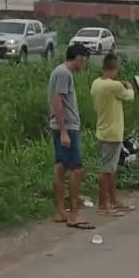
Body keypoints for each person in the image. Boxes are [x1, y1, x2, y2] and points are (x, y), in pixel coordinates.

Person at [48, 43, 92, 230]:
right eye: (85, 60)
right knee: (76, 168)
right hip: (67, 127)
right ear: (79, 58)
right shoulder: (64, 73)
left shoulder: (59, 72)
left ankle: (60, 211)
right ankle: (73, 214)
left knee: (60, 167)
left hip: (60, 126)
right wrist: (64, 131)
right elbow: (58, 101)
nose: (85, 64)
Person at [90, 53, 135, 216]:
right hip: (111, 133)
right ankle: (103, 205)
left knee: (111, 169)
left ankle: (113, 201)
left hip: (104, 130)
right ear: (115, 69)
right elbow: (129, 96)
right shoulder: (114, 86)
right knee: (106, 170)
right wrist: (129, 86)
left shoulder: (96, 83)